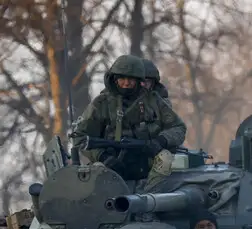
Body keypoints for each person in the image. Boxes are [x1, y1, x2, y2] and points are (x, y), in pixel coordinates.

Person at [69, 54, 187, 182]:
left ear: (138, 80)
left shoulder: (153, 100)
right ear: (114, 79)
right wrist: (103, 156)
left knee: (165, 159)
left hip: (146, 160)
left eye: (131, 79)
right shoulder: (102, 103)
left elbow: (178, 127)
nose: (126, 83)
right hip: (111, 161)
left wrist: (160, 141)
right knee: (98, 170)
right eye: (122, 78)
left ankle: (150, 193)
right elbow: (80, 137)